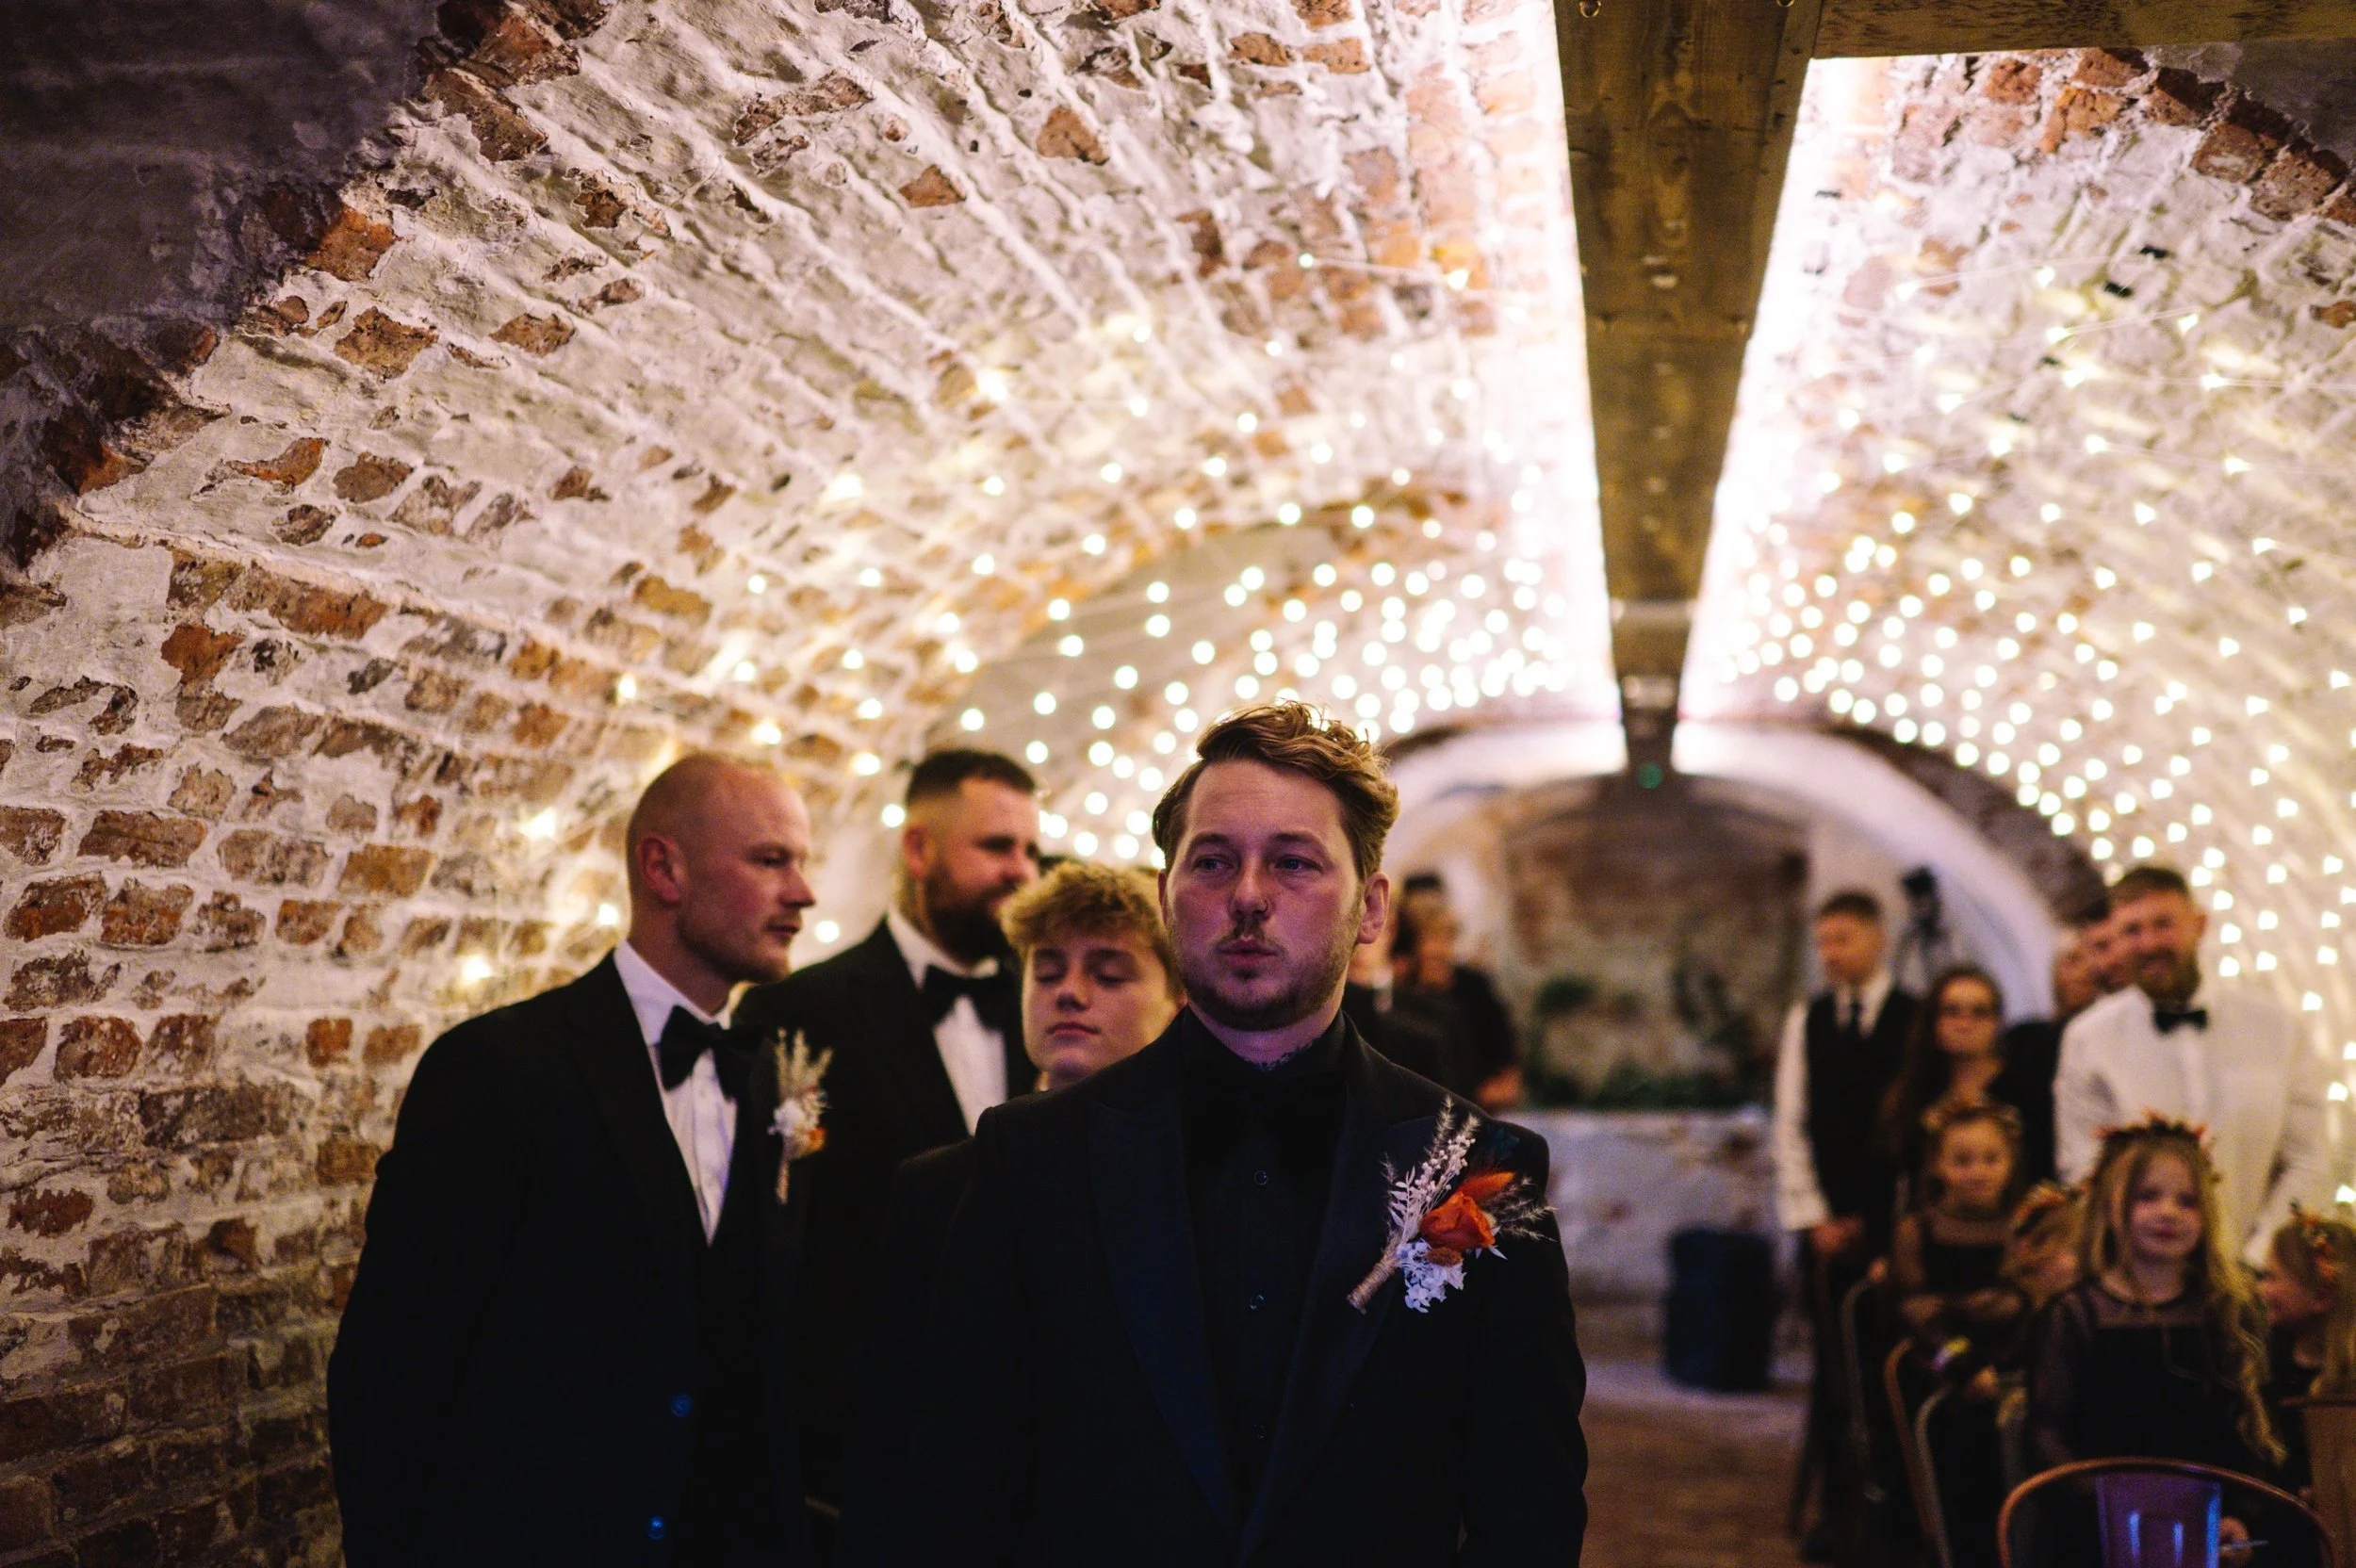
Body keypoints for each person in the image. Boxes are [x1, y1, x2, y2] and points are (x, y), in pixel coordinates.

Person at [887, 702, 1588, 1565]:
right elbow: (951, 1488)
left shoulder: (1480, 1169)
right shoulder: (1029, 1158)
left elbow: (1528, 1507)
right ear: (1166, 896)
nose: (1249, 896)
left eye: (1293, 862)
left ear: (1371, 909)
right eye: (1213, 861)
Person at [330, 755, 819, 1567]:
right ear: (663, 868)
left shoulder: (775, 1079)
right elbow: (394, 1367)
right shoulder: (500, 1067)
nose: (802, 892)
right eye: (771, 860)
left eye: (801, 863)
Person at [835, 861, 1184, 1562]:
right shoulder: (935, 1188)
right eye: (1046, 971)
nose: (1069, 992)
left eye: (1109, 974)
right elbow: (890, 1428)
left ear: (1180, 1004)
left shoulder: (1205, 1179)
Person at [732, 749, 1040, 1527]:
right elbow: (776, 1244)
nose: (1022, 871)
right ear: (919, 849)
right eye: (996, 846)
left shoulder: (1050, 1005)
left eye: (1030, 850)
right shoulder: (800, 1012)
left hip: (1027, 1446)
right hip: (863, 1454)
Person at [2053, 863, 2335, 1264]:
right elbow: (2086, 1170)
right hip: (2140, 1274)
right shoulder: (2088, 1039)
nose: (2149, 943)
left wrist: (2258, 1261)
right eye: (2132, 930)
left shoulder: (2278, 1028)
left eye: (2163, 924)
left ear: (2199, 925)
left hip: (2261, 1275)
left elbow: (2309, 1160)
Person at [1772, 889, 1919, 1560]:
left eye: (1844, 939)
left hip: (1898, 1229)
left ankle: (1901, 1515)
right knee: (1836, 1376)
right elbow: (1792, 1123)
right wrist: (1815, 1216)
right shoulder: (1808, 1021)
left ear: (1877, 938)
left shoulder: (1913, 1018)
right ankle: (1841, 1512)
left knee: (1894, 1369)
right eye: (1824, 942)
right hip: (1829, 1228)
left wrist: (1892, 1224)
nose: (1831, 954)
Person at [2029, 1117, 2282, 1479]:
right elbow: (2047, 1433)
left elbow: (2251, 1430)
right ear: (2108, 1206)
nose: (2168, 1212)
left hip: (2212, 1503)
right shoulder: (2075, 1315)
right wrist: (2101, 1500)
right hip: (2105, 1506)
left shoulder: (2225, 1309)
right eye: (2147, 1196)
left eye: (2187, 1201)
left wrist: (2236, 1503)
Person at [1890, 1103, 2026, 1568]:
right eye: (1963, 1161)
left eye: (1991, 1159)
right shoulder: (1919, 1228)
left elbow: (2023, 1303)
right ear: (1938, 1165)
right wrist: (1965, 1366)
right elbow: (1919, 1314)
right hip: (1942, 1356)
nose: (1978, 1172)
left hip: (2008, 1353)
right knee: (1964, 1426)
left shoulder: (2021, 1226)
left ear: (2010, 1162)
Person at [1882, 966, 2057, 1187]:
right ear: (1933, 1021)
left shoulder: (2027, 1092)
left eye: (1979, 1012)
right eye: (1952, 1012)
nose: (1964, 1024)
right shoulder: (1915, 1094)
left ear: (1997, 1023)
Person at [1394, 874, 1524, 1110]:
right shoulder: (1394, 995)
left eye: (1447, 938)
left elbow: (1508, 1082)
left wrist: (1465, 1101)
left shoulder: (1475, 989)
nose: (1439, 950)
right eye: (1430, 939)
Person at [1988, 921, 2104, 1184]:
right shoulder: (2025, 1041)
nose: (2084, 971)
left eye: (2093, 957)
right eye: (2073, 960)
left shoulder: (2115, 1041)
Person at [2258, 1209, 2356, 1489]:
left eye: (2272, 1277)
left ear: (2320, 1296)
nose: (2261, 1289)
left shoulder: (2347, 1377)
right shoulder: (2266, 1356)